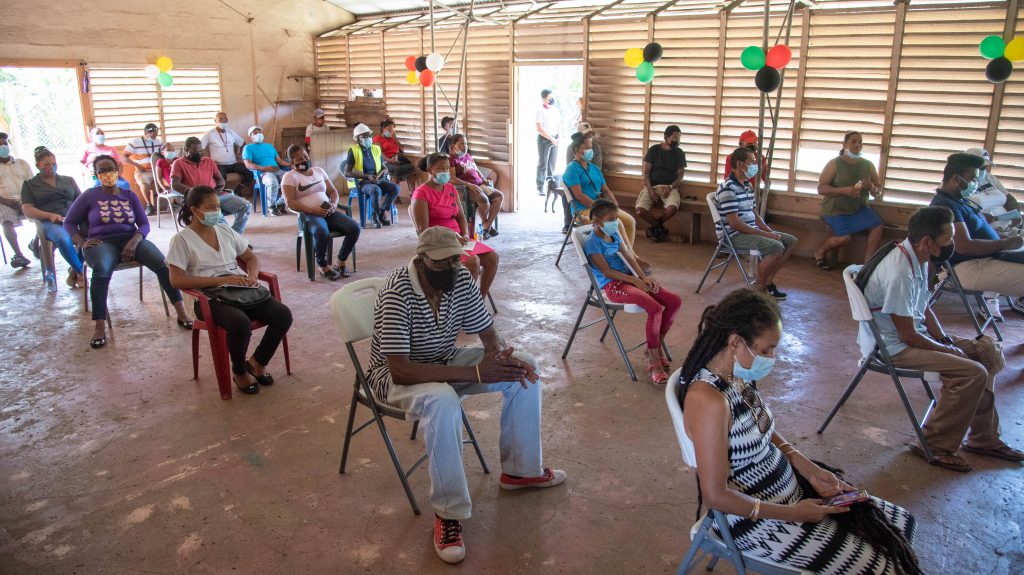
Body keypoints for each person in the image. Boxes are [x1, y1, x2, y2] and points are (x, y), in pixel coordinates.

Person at [678, 288, 922, 574]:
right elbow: (716, 497)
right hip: (753, 520)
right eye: (766, 349)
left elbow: (761, 429)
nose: (772, 357)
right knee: (884, 567)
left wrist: (806, 467)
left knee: (901, 523)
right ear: (735, 342)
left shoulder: (735, 376)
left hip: (791, 495)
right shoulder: (708, 400)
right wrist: (792, 514)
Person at [366, 225, 566, 564]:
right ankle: (448, 514)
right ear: (422, 259)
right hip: (395, 378)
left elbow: (487, 331)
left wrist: (497, 354)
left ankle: (521, 471)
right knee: (443, 401)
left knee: (523, 366)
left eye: (455, 260)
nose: (451, 268)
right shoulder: (397, 293)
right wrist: (474, 372)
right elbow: (400, 369)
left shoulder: (458, 278)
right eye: (441, 263)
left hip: (444, 360)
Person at [858, 206, 1022, 471]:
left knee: (986, 351)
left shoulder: (917, 258)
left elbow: (923, 307)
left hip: (913, 336)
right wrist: (949, 352)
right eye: (948, 240)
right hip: (894, 347)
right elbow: (907, 334)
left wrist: (946, 340)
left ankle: (984, 438)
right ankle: (933, 444)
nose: (953, 245)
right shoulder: (900, 270)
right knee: (972, 373)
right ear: (927, 241)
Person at [167, 185, 293, 395]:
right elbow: (176, 280)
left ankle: (258, 362)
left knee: (282, 315)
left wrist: (251, 278)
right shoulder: (181, 240)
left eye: (217, 206)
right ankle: (240, 370)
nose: (217, 211)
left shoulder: (224, 230)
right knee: (239, 322)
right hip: (206, 297)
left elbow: (250, 258)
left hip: (237, 288)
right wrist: (219, 281)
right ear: (194, 210)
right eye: (210, 208)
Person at [63, 155, 192, 349]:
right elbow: (69, 222)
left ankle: (181, 312)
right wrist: (81, 241)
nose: (108, 174)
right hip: (101, 243)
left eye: (111, 169)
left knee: (163, 264)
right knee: (101, 271)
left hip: (131, 239)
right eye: (102, 171)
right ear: (96, 174)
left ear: (119, 170)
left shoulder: (129, 195)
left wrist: (134, 241)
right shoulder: (89, 195)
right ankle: (99, 326)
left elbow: (143, 224)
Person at [583, 199, 681, 384]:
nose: (615, 222)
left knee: (674, 301)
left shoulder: (615, 236)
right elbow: (607, 271)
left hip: (631, 279)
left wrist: (644, 278)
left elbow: (628, 257)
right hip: (614, 285)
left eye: (616, 218)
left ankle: (655, 344)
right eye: (611, 219)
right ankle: (653, 359)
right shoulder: (592, 243)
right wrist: (635, 280)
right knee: (655, 308)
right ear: (596, 219)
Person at [928, 153, 1024, 315]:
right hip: (968, 267)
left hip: (985, 260)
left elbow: (977, 233)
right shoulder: (945, 206)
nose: (975, 184)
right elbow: (964, 246)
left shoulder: (961, 202)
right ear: (956, 179)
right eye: (972, 179)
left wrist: (1002, 237)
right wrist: (1005, 243)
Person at [412, 152, 499, 302]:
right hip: (438, 243)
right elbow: (423, 231)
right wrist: (452, 238)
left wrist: (464, 234)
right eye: (440, 168)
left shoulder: (450, 189)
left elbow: (461, 217)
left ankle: (479, 301)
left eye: (447, 168)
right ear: (430, 169)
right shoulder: (421, 193)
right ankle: (463, 307)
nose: (445, 172)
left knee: (492, 258)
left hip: (459, 239)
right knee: (473, 262)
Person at [715, 147, 797, 300]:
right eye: (752, 162)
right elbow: (735, 224)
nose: (755, 166)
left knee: (790, 241)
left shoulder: (747, 185)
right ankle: (759, 287)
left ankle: (767, 282)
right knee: (776, 246)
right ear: (740, 164)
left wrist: (770, 231)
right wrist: (766, 235)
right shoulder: (727, 189)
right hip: (734, 235)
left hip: (749, 230)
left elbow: (754, 214)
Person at [562, 133, 650, 273]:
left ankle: (625, 256)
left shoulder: (594, 169)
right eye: (587, 147)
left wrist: (613, 206)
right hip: (585, 211)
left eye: (591, 147)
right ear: (577, 150)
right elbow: (579, 196)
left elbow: (607, 190)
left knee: (630, 221)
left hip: (602, 208)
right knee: (618, 224)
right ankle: (631, 258)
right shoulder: (571, 169)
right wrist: (599, 208)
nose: (591, 150)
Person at [282, 145, 360, 281]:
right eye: (299, 159)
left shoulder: (319, 171)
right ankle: (322, 266)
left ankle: (340, 261)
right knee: (321, 232)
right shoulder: (290, 177)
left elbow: (333, 192)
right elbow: (290, 203)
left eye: (305, 156)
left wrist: (334, 205)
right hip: (308, 216)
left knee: (354, 228)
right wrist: (312, 210)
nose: (304, 160)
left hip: (328, 212)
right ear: (292, 162)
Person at [813, 131, 885, 269]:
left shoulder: (868, 165)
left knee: (878, 226)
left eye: (860, 142)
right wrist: (843, 191)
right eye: (853, 141)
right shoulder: (834, 163)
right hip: (836, 209)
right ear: (845, 144)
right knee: (844, 238)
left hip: (859, 209)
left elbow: (878, 190)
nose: (857, 145)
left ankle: (867, 264)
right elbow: (821, 189)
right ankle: (820, 251)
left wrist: (872, 188)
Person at [21, 146, 84, 289]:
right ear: (38, 165)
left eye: (53, 164)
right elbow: (27, 209)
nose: (51, 167)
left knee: (91, 233)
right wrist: (49, 216)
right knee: (63, 238)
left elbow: (81, 201)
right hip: (49, 222)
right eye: (46, 164)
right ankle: (80, 272)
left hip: (72, 218)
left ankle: (74, 270)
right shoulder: (30, 185)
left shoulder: (68, 180)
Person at [172, 137, 250, 234]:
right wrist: (195, 192)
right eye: (195, 150)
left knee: (245, 206)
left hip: (216, 195)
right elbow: (175, 184)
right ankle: (232, 239)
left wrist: (220, 186)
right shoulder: (179, 163)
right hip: (198, 199)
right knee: (218, 217)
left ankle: (235, 235)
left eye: (200, 150)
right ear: (186, 150)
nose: (199, 153)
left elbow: (220, 179)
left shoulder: (208, 161)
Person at [343, 123, 400, 228]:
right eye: (364, 136)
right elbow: (347, 172)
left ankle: (381, 212)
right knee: (375, 190)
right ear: (357, 139)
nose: (368, 138)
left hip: (377, 179)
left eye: (369, 135)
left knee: (395, 188)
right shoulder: (353, 150)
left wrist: (384, 172)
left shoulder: (376, 149)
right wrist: (366, 176)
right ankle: (374, 216)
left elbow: (384, 167)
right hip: (362, 182)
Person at [448, 134, 503, 239]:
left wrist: (483, 179)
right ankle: (486, 227)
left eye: (465, 143)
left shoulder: (467, 156)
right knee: (484, 200)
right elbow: (452, 178)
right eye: (461, 144)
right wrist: (469, 185)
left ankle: (486, 226)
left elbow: (476, 169)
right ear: (453, 146)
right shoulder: (451, 160)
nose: (464, 146)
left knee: (499, 196)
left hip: (480, 184)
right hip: (467, 188)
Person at [637, 125, 687, 241]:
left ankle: (656, 226)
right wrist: (650, 191)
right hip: (652, 186)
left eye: (679, 137)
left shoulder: (679, 153)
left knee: (671, 209)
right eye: (674, 137)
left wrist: (670, 187)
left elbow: (680, 176)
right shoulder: (654, 149)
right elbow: (646, 173)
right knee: (640, 210)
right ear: (666, 137)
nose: (677, 140)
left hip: (670, 187)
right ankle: (659, 229)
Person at [0, 132, 35, 268]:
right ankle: (19, 255)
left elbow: (33, 183)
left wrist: (26, 201)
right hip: (4, 201)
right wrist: (7, 202)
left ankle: (36, 243)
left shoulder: (22, 163)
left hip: (25, 199)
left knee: (44, 214)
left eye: (4, 144)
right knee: (6, 220)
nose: (3, 146)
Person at [562, 122, 603, 233]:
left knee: (596, 192)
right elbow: (570, 166)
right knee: (567, 195)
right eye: (585, 134)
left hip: (591, 178)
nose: (588, 136)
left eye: (590, 134)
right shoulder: (572, 147)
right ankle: (568, 223)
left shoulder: (596, 148)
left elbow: (598, 168)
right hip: (577, 178)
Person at [201, 112, 254, 195]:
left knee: (250, 172)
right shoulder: (210, 133)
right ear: (215, 121)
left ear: (227, 120)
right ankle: (222, 195)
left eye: (224, 119)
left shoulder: (230, 132)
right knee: (221, 178)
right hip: (219, 165)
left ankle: (238, 190)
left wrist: (239, 154)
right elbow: (201, 147)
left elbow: (242, 143)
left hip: (233, 163)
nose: (223, 121)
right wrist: (209, 160)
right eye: (220, 119)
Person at [241, 126, 290, 216]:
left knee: (290, 179)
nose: (258, 134)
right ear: (250, 137)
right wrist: (264, 168)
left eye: (259, 132)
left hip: (277, 170)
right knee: (272, 182)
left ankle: (281, 203)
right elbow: (248, 164)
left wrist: (291, 165)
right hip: (263, 173)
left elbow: (279, 161)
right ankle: (272, 206)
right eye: (255, 133)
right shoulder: (248, 148)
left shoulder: (270, 146)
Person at [122, 123, 165, 215]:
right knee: (144, 185)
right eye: (151, 134)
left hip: (157, 170)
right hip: (143, 171)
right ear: (146, 133)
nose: (154, 136)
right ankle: (149, 205)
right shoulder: (135, 142)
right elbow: (124, 158)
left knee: (169, 181)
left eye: (156, 133)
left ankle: (172, 203)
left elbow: (164, 155)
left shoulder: (158, 142)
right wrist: (138, 166)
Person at [373, 119, 417, 184]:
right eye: (389, 130)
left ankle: (412, 193)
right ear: (383, 129)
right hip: (385, 161)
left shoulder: (392, 138)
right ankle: (395, 191)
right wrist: (389, 160)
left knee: (411, 168)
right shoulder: (377, 139)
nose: (391, 131)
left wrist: (395, 139)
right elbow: (380, 153)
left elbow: (402, 149)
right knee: (397, 169)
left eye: (392, 130)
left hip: (396, 159)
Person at [535, 88, 560, 196]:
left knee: (552, 163)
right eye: (550, 97)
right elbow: (539, 128)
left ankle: (550, 185)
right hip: (544, 140)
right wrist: (551, 138)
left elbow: (558, 124)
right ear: (544, 99)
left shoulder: (555, 110)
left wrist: (559, 137)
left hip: (555, 139)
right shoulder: (540, 110)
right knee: (543, 163)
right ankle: (540, 187)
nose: (552, 99)